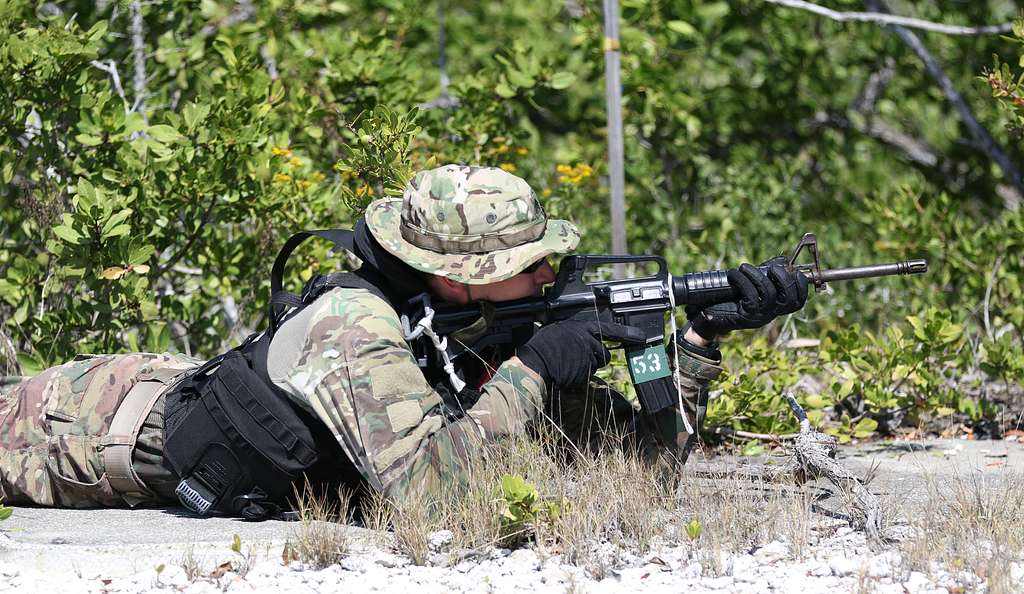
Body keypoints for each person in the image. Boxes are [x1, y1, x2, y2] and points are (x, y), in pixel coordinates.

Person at [0, 164, 807, 512]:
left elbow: (638, 476)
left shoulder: (473, 329)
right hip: (73, 428)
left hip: (140, 397)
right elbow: (433, 497)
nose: (547, 274)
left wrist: (696, 344)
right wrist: (532, 370)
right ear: (455, 273)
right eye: (527, 264)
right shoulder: (355, 328)